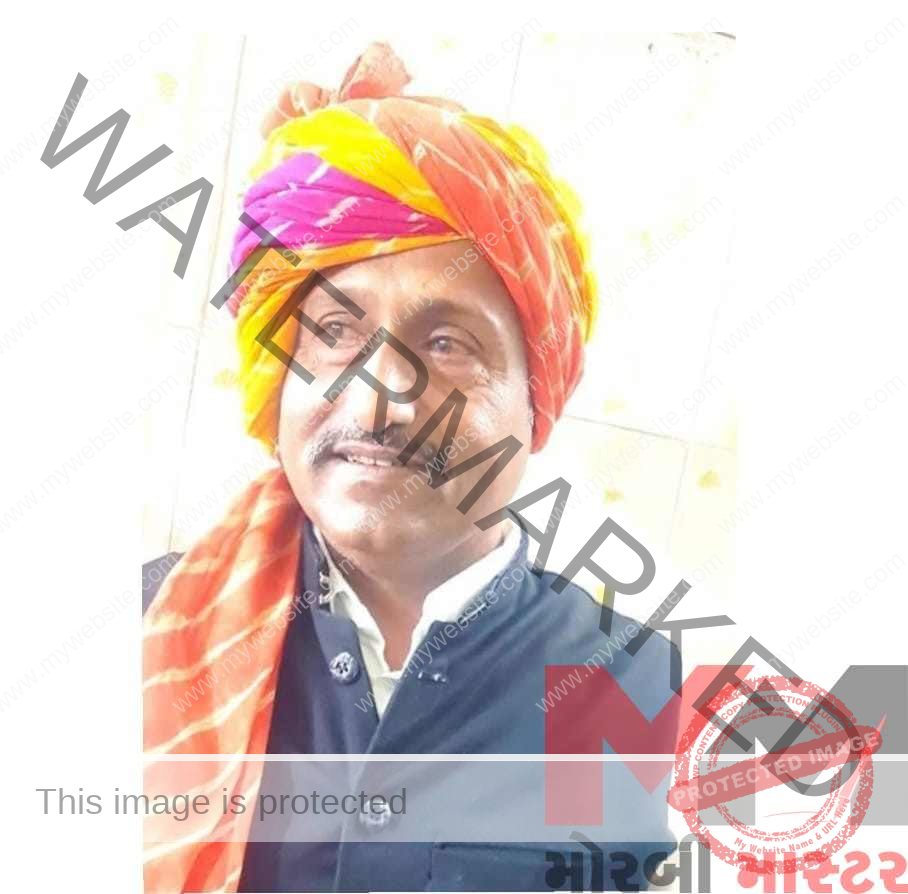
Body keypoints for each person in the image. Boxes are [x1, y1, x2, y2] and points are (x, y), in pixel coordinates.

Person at [142, 42, 680, 892]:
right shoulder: (145, 626)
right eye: (333, 333)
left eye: (448, 344)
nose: (376, 400)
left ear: (535, 402)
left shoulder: (624, 680)